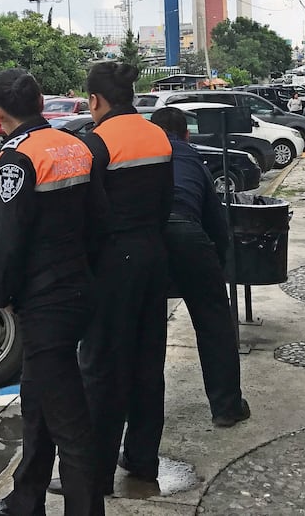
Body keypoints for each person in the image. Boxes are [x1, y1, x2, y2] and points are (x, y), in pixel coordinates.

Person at [0, 68, 105, 516]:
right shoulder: (74, 144)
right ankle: (26, 500)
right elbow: (98, 221)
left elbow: (9, 238)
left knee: (70, 425)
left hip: (45, 301)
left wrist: (0, 293)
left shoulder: (16, 158)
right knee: (37, 399)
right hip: (79, 287)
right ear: (41, 102)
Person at [50, 61, 173, 496]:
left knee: (100, 367)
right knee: (146, 362)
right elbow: (165, 204)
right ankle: (142, 460)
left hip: (111, 264)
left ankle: (93, 475)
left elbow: (86, 216)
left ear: (96, 101)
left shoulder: (96, 144)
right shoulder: (158, 135)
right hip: (153, 257)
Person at [149, 107, 251, 427]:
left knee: (145, 331)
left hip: (146, 243)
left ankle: (140, 420)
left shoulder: (142, 154)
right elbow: (215, 220)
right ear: (187, 135)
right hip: (190, 236)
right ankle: (226, 408)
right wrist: (217, 264)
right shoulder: (192, 158)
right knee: (214, 324)